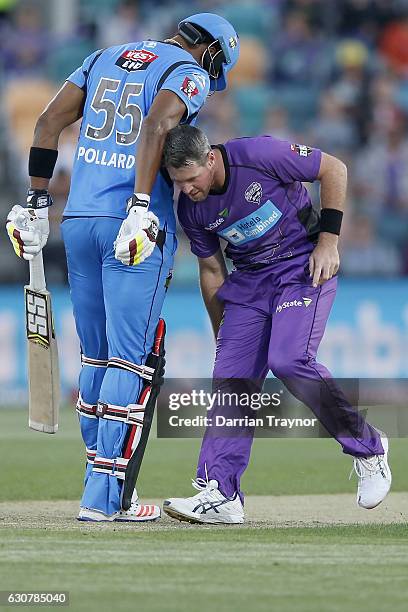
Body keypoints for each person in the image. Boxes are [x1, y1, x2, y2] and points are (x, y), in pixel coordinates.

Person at [5, 14, 239, 523]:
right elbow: (159, 124)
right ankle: (105, 498)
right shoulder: (188, 69)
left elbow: (47, 122)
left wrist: (37, 201)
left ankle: (104, 483)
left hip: (80, 220)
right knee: (131, 363)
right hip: (134, 228)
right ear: (212, 53)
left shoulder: (103, 56)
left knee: (96, 359)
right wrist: (138, 204)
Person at [161, 125, 392, 524]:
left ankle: (369, 448)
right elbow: (212, 269)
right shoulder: (190, 208)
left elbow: (334, 169)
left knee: (289, 361)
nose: (187, 189)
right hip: (250, 282)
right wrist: (221, 331)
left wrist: (329, 242)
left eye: (192, 178)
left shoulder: (258, 155)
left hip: (302, 265)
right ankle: (222, 494)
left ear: (211, 159)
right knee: (230, 378)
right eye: (178, 182)